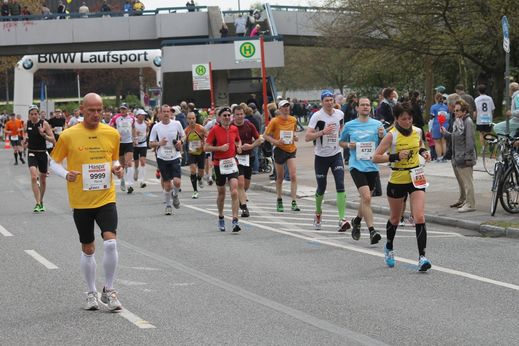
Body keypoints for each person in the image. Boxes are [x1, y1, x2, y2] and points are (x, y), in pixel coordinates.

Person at [50, 93, 124, 311]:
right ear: (82, 109)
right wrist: (65, 174)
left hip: (105, 196)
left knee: (111, 242)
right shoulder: (68, 135)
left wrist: (117, 168)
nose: (95, 114)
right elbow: (53, 162)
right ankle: (91, 292)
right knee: (88, 247)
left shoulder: (112, 133)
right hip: (81, 201)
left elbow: (114, 159)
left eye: (99, 110)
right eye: (91, 110)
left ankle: (108, 290)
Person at [373, 102, 432, 272]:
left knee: (419, 217)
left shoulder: (417, 131)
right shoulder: (391, 135)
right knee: (395, 219)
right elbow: (375, 157)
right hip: (398, 178)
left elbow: (420, 146)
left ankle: (422, 257)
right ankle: (389, 247)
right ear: (396, 119)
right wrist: (395, 156)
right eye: (403, 119)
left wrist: (424, 153)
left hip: (416, 176)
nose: (407, 122)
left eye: (409, 118)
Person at [339, 97, 384, 243]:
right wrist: (348, 145)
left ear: (370, 108)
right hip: (356, 166)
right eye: (362, 105)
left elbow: (383, 144)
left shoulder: (377, 124)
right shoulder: (350, 125)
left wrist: (382, 136)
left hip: (372, 165)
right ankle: (372, 231)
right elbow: (341, 142)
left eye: (368, 105)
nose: (365, 107)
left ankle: (357, 221)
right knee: (366, 198)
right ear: (357, 108)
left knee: (365, 200)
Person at [305, 90, 350, 232]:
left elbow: (341, 128)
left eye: (331, 100)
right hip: (321, 157)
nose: (329, 103)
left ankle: (342, 219)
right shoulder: (317, 116)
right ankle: (318, 213)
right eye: (326, 100)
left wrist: (341, 137)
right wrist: (323, 132)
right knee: (322, 187)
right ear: (322, 102)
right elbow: (307, 137)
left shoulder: (340, 114)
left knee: (340, 184)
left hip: (336, 154)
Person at [204, 106, 242, 232]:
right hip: (218, 164)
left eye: (228, 115)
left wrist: (239, 146)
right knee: (222, 193)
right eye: (224, 115)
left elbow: (238, 140)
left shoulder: (234, 129)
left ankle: (235, 221)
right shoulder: (214, 130)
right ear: (219, 118)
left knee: (235, 191)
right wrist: (219, 148)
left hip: (231, 163)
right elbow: (206, 147)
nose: (226, 117)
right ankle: (221, 217)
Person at [264, 99, 300, 212]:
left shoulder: (293, 120)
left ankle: (294, 201)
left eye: (288, 106)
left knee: (293, 175)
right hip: (279, 150)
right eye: (284, 107)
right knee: (280, 177)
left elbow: (293, 133)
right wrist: (275, 142)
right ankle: (279, 199)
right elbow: (265, 136)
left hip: (291, 149)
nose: (286, 108)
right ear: (279, 109)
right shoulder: (274, 121)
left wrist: (295, 137)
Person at [441, 99, 476, 213]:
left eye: (458, 111)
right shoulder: (459, 122)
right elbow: (455, 138)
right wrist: (446, 133)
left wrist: (468, 158)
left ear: (464, 111)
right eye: (454, 110)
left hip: (464, 158)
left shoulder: (468, 122)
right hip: (457, 157)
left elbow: (470, 142)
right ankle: (464, 200)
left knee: (467, 183)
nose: (455, 113)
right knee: (462, 182)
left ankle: (470, 204)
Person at [149, 104, 185, 215]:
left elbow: (183, 136)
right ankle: (168, 205)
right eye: (163, 111)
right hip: (162, 157)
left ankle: (175, 195)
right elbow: (150, 143)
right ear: (160, 114)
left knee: (177, 182)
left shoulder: (177, 124)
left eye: (167, 111)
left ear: (170, 113)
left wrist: (180, 142)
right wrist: (159, 143)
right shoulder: (156, 127)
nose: (166, 113)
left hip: (174, 156)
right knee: (167, 184)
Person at [23, 105, 55, 212]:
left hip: (42, 153)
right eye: (31, 114)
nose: (33, 116)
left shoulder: (44, 124)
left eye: (35, 114)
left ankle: (41, 201)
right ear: (29, 115)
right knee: (33, 177)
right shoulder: (26, 123)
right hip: (32, 152)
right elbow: (25, 135)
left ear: (38, 114)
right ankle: (37, 203)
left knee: (43, 180)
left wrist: (44, 135)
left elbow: (53, 140)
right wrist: (24, 141)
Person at [233, 105, 262, 217]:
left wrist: (251, 146)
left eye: (241, 114)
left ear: (244, 114)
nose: (239, 116)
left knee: (246, 184)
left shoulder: (249, 125)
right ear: (234, 116)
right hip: (235, 158)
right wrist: (236, 147)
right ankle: (244, 208)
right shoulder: (231, 127)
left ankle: (241, 198)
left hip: (248, 157)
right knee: (240, 182)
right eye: (237, 114)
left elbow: (259, 139)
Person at [109, 103, 136, 194]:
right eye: (121, 109)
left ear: (128, 109)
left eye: (124, 109)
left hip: (128, 142)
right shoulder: (115, 118)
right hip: (119, 143)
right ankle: (122, 181)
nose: (123, 110)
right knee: (122, 165)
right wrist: (116, 134)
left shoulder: (132, 118)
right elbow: (110, 128)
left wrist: (135, 138)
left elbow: (133, 128)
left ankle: (130, 184)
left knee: (129, 163)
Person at [185, 111, 206, 199]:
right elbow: (183, 141)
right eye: (189, 119)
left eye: (193, 118)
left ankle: (200, 178)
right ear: (187, 120)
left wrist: (204, 143)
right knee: (193, 170)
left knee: (201, 172)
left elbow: (208, 137)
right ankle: (195, 191)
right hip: (191, 153)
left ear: (195, 119)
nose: (191, 120)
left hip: (201, 152)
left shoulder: (201, 128)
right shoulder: (186, 130)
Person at [429, 93, 449, 162]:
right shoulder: (446, 107)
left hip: (436, 125)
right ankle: (444, 157)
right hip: (445, 124)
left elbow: (431, 118)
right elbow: (448, 117)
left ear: (436, 99)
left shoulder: (433, 107)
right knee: (444, 142)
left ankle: (439, 157)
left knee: (437, 142)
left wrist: (430, 128)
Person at [473, 84, 495, 148]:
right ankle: (490, 146)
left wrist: (474, 117)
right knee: (488, 133)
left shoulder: (476, 99)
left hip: (480, 118)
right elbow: (492, 109)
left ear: (478, 91)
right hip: (488, 117)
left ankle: (483, 147)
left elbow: (476, 110)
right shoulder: (489, 98)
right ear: (485, 90)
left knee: (481, 133)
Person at [132, 109, 149, 188]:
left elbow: (148, 130)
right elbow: (130, 131)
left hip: (143, 144)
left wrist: (146, 135)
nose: (143, 116)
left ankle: (142, 181)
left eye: (144, 115)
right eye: (142, 115)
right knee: (136, 162)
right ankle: (136, 170)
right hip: (135, 145)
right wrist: (135, 134)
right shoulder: (134, 123)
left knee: (142, 161)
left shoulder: (146, 123)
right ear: (138, 115)